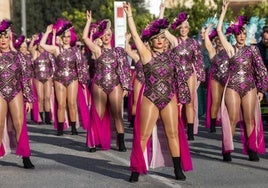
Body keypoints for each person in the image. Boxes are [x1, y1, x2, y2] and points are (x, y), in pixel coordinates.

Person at [123, 2, 192, 182]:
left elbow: (180, 77)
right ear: (151, 41)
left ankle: (178, 169)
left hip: (169, 97)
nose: (160, 40)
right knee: (143, 135)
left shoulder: (173, 55)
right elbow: (136, 38)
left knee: (173, 133)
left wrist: (182, 99)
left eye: (162, 37)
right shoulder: (146, 55)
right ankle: (136, 169)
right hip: (150, 97)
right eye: (156, 37)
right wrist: (130, 16)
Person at [217, 0, 268, 162]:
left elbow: (261, 69)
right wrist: (223, 11)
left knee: (249, 119)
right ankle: (227, 149)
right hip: (232, 85)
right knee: (231, 118)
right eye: (239, 34)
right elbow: (219, 30)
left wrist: (261, 89)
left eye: (244, 34)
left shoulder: (252, 49)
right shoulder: (231, 50)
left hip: (250, 87)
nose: (241, 36)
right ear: (234, 35)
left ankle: (252, 149)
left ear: (246, 36)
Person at [82, 11, 131, 152]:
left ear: (112, 36)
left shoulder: (119, 51)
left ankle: (121, 142)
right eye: (103, 35)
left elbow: (124, 69)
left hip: (115, 84)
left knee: (117, 114)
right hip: (99, 85)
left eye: (109, 34)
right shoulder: (97, 50)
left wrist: (126, 86)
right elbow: (84, 38)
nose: (106, 37)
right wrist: (88, 21)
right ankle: (94, 142)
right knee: (98, 114)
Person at [40, 19, 89, 136]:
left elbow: (82, 65)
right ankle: (60, 129)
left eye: (68, 36)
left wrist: (82, 80)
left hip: (73, 78)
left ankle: (73, 128)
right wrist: (47, 32)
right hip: (59, 79)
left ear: (71, 37)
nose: (66, 38)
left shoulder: (76, 50)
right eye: (64, 36)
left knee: (72, 103)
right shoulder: (56, 49)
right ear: (61, 37)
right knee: (61, 104)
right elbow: (41, 45)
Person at [0, 19, 35, 169]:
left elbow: (25, 78)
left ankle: (25, 157)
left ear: (10, 38)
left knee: (19, 124)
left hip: (15, 92)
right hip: (0, 93)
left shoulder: (19, 56)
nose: (3, 40)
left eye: (5, 36)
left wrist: (29, 98)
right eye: (0, 36)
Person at [171, 11, 205, 140]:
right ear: (178, 28)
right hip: (177, 74)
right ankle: (177, 128)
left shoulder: (194, 43)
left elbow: (198, 60)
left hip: (190, 74)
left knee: (189, 103)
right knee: (178, 103)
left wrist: (200, 79)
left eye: (186, 27)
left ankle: (190, 132)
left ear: (189, 29)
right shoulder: (175, 41)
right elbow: (164, 31)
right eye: (181, 27)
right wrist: (162, 11)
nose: (183, 29)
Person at [203, 24, 229, 133]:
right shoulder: (212, 51)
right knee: (216, 101)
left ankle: (227, 123)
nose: (219, 41)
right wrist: (207, 31)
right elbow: (207, 42)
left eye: (221, 38)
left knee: (228, 102)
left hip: (228, 79)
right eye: (217, 39)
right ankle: (213, 125)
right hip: (215, 79)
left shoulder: (230, 50)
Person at [28, 33, 55, 124]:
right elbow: (30, 48)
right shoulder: (35, 53)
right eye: (39, 45)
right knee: (40, 98)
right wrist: (33, 40)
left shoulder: (49, 54)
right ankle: (40, 118)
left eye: (42, 46)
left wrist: (52, 78)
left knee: (47, 98)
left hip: (47, 77)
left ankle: (47, 118)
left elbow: (53, 66)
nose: (41, 48)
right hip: (37, 78)